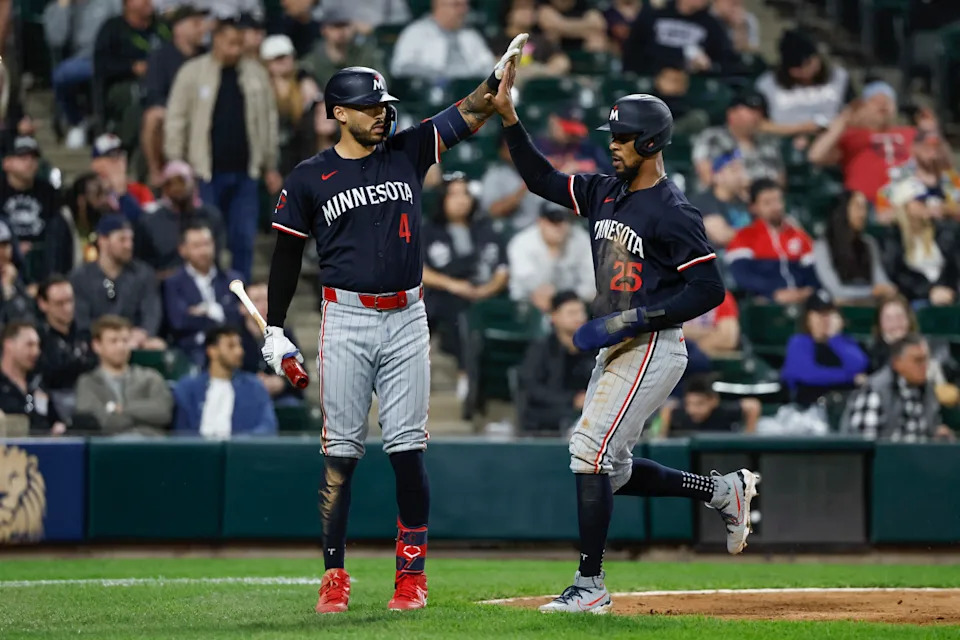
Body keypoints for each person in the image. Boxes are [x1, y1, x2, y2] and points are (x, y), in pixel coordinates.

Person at [263, 39, 528, 612]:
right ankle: (334, 574)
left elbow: (469, 111)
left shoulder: (407, 150)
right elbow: (285, 258)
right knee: (340, 455)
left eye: (384, 104)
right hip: (347, 318)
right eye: (369, 106)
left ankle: (412, 576)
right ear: (337, 112)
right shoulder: (309, 177)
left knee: (408, 450)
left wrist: (495, 80)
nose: (382, 112)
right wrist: (276, 328)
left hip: (408, 315)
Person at [490, 78, 760, 612]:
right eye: (611, 135)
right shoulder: (604, 191)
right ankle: (721, 491)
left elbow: (709, 288)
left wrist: (636, 319)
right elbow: (542, 179)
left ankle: (590, 585)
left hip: (653, 344)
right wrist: (508, 117)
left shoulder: (672, 210)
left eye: (624, 137)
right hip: (620, 346)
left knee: (588, 453)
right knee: (611, 468)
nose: (612, 144)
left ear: (652, 143)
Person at [164, 17, 282, 282]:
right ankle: (212, 293)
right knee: (207, 240)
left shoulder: (256, 75)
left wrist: (270, 164)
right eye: (230, 43)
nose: (236, 50)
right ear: (215, 40)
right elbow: (176, 119)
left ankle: (243, 299)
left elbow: (268, 121)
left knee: (243, 239)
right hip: (204, 174)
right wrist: (176, 164)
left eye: (240, 44)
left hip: (245, 173)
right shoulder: (192, 73)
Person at [422, 174, 509, 395]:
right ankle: (462, 374)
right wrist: (453, 285)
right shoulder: (428, 230)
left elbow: (502, 270)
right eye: (454, 194)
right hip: (444, 295)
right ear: (442, 198)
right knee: (449, 306)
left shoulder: (485, 228)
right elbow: (417, 269)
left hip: (486, 296)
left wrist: (485, 290)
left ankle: (471, 377)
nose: (462, 200)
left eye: (466, 194)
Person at [808, 81, 922, 204]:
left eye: (887, 101)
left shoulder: (911, 133)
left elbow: (940, 162)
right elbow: (816, 156)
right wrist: (844, 120)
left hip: (910, 202)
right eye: (875, 101)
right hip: (866, 205)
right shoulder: (851, 135)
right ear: (862, 108)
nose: (882, 105)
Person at [70, 214, 165, 349]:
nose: (128, 245)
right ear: (103, 240)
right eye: (122, 240)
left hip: (135, 345)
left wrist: (142, 334)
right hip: (95, 347)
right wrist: (109, 340)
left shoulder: (143, 274)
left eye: (130, 240)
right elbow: (81, 321)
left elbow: (151, 313)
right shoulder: (81, 277)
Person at [140, 3, 208, 188]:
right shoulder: (161, 56)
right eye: (196, 23)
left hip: (205, 113)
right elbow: (154, 96)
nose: (203, 28)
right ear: (179, 27)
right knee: (153, 117)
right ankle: (156, 173)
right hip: (173, 114)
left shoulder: (208, 56)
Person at [842, 334, 956, 442]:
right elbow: (867, 445)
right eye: (918, 360)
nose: (925, 366)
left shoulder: (928, 391)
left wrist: (937, 435)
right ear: (897, 363)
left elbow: (928, 432)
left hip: (919, 460)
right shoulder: (875, 391)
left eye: (926, 360)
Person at [74, 314, 173, 435]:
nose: (121, 347)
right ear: (97, 345)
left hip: (149, 445)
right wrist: (141, 418)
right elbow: (94, 422)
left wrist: (120, 409)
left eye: (125, 341)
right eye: (114, 341)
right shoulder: (87, 383)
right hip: (108, 449)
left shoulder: (150, 377)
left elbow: (162, 412)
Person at [172, 325, 277, 437]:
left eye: (240, 346)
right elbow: (179, 432)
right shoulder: (188, 388)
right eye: (231, 346)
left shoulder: (254, 387)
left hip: (239, 452)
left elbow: (268, 427)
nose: (239, 351)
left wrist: (239, 444)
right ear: (212, 351)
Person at [44, 0, 121, 148]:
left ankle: (108, 124)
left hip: (110, 56)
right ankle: (78, 122)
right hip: (80, 59)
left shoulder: (110, 3)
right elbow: (56, 40)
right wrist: (63, 8)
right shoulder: (56, 8)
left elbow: (121, 27)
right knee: (62, 74)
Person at [726, 179, 818, 303]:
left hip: (803, 300)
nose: (776, 207)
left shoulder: (798, 234)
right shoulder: (744, 237)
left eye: (778, 200)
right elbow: (743, 275)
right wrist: (773, 292)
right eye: (767, 203)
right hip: (766, 302)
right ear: (754, 207)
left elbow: (814, 270)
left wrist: (807, 291)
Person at [163, 222, 242, 364]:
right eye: (196, 246)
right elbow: (179, 322)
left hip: (231, 349)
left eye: (207, 244)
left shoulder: (233, 280)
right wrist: (222, 315)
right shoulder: (173, 283)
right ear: (183, 250)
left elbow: (240, 317)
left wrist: (208, 311)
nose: (204, 251)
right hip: (191, 352)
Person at [93, 0, 170, 147]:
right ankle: (125, 145)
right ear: (127, 4)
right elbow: (102, 64)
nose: (148, 2)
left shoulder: (162, 27)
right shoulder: (113, 28)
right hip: (124, 83)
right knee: (138, 97)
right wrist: (131, 67)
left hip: (163, 82)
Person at [517, 290, 594, 434]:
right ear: (554, 316)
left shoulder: (594, 350)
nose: (579, 318)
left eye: (581, 312)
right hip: (547, 420)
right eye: (571, 313)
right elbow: (532, 389)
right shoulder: (540, 350)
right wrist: (572, 400)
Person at [754, 29, 851, 139]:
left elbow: (852, 111)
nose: (803, 71)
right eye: (796, 68)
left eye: (808, 64)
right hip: (784, 140)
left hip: (832, 139)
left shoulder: (839, 77)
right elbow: (759, 123)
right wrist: (801, 129)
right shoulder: (767, 83)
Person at [135, 160, 226, 277]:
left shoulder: (211, 216)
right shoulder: (150, 221)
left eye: (181, 182)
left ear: (192, 183)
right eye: (170, 183)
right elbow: (142, 263)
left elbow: (217, 257)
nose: (176, 188)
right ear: (164, 188)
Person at [0, 135, 74, 281]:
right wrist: (14, 248)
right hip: (6, 258)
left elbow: (58, 233)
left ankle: (54, 283)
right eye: (22, 157)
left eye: (33, 158)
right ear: (6, 163)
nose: (30, 162)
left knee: (61, 222)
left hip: (43, 259)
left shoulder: (48, 192)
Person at [780, 289, 869, 407]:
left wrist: (835, 338)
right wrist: (849, 378)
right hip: (807, 410)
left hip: (846, 407)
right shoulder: (799, 342)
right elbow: (808, 374)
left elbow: (860, 366)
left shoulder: (844, 342)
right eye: (819, 314)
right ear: (808, 317)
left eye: (829, 314)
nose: (825, 319)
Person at [880, 180, 960, 306]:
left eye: (925, 200)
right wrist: (929, 291)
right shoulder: (894, 237)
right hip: (915, 298)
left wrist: (948, 290)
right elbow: (897, 274)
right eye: (919, 201)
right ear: (905, 206)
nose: (925, 204)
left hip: (947, 295)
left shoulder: (941, 231)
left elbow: (953, 266)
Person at [506, 201, 595, 313]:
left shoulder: (581, 239)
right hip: (527, 304)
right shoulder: (522, 242)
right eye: (553, 221)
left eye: (562, 220)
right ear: (541, 222)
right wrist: (552, 254)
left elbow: (591, 280)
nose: (559, 226)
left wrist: (572, 298)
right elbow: (530, 284)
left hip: (572, 300)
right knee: (543, 296)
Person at [813, 190, 895, 304]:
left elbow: (881, 280)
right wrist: (871, 291)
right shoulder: (823, 245)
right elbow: (835, 290)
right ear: (843, 210)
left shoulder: (869, 243)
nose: (863, 214)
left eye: (865, 208)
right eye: (858, 207)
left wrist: (887, 289)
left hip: (870, 304)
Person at [36, 275, 98, 425]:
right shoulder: (37, 339)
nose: (67, 308)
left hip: (90, 399)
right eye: (59, 303)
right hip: (53, 403)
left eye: (70, 301)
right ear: (43, 304)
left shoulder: (86, 335)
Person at [693, 90, 784, 189]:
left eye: (760, 112)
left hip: (762, 202)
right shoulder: (711, 137)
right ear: (731, 113)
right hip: (719, 202)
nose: (757, 116)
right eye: (752, 111)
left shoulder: (768, 142)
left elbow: (780, 183)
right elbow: (707, 178)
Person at [260, 35, 321, 177]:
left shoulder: (307, 85)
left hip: (305, 156)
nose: (284, 62)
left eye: (286, 57)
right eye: (277, 59)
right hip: (274, 162)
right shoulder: (261, 90)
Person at [623, 0, 735, 76]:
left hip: (690, 83)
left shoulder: (713, 25)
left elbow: (726, 59)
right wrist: (681, 55)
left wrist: (709, 66)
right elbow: (634, 50)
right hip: (651, 77)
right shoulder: (654, 15)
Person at [390, 0, 495, 81]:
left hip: (471, 96)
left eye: (465, 5)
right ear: (439, 5)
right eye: (456, 5)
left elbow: (489, 67)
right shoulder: (416, 32)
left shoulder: (471, 36)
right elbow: (400, 68)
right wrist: (435, 75)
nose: (463, 11)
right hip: (431, 100)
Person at [238, 282, 304, 406]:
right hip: (243, 396)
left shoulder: (284, 334)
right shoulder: (234, 336)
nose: (263, 306)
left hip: (280, 397)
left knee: (292, 405)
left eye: (267, 300)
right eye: (256, 301)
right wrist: (253, 382)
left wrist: (282, 382)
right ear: (242, 307)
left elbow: (300, 371)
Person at [877, 129, 960, 221]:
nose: (932, 152)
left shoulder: (951, 177)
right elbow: (883, 214)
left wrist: (944, 209)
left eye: (936, 147)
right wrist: (911, 210)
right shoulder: (899, 175)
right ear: (915, 147)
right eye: (927, 146)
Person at [0, 321, 66, 435]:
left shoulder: (37, 384)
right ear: (9, 345)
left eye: (38, 345)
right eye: (29, 345)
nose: (36, 352)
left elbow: (55, 420)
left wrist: (59, 427)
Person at [300, 7, 384, 88]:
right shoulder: (314, 58)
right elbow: (301, 68)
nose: (341, 31)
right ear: (324, 30)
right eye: (335, 26)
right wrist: (305, 79)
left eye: (344, 25)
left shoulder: (364, 54)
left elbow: (382, 81)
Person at [492, 0, 570, 86]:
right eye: (522, 8)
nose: (528, 12)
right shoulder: (497, 41)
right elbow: (493, 65)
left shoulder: (541, 40)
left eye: (531, 8)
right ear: (509, 13)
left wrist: (541, 71)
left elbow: (562, 62)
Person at [478, 131, 545, 230]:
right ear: (501, 152)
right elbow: (494, 211)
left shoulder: (542, 169)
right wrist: (524, 187)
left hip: (545, 229)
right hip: (512, 232)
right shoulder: (494, 176)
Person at [687, 148, 750, 248]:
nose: (740, 175)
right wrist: (755, 237)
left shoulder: (746, 201)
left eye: (741, 169)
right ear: (717, 176)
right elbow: (722, 236)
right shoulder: (701, 203)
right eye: (734, 170)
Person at [659, 374, 760, 436]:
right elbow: (668, 408)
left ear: (713, 400)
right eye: (689, 404)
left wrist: (748, 436)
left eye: (699, 403)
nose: (692, 410)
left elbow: (752, 406)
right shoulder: (681, 414)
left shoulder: (723, 412)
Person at [90, 133, 155, 219]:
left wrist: (122, 193)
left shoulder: (140, 191)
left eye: (122, 154)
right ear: (96, 164)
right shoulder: (90, 191)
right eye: (113, 155)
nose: (120, 160)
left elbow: (147, 223)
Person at [537, 104, 612, 176]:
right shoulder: (537, 147)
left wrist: (578, 166)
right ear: (553, 122)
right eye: (567, 129)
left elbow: (608, 176)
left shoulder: (590, 149)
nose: (572, 135)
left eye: (574, 131)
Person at [682, 290, 740, 357]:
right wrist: (710, 331)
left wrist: (694, 350)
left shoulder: (720, 295)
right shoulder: (670, 295)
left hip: (705, 361)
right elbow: (669, 333)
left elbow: (728, 339)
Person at [536, 0, 607, 53]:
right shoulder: (544, 3)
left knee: (597, 41)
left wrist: (561, 27)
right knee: (551, 35)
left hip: (580, 46)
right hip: (553, 49)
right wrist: (586, 29)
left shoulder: (584, 4)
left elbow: (599, 24)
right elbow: (549, 23)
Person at [0, 219, 36, 324]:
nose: (3, 250)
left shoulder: (12, 276)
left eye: (5, 245)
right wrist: (6, 289)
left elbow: (27, 316)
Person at [317, 0, 410, 34]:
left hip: (378, 39)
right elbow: (320, 14)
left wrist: (376, 28)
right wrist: (351, 23)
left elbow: (402, 18)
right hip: (342, 36)